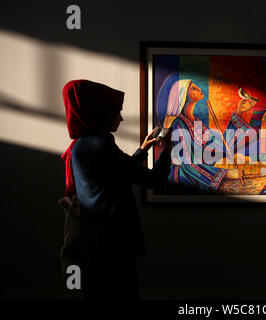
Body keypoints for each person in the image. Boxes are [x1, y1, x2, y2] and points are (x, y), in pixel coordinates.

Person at [61, 79, 171, 300]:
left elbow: (117, 172)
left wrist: (143, 149)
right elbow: (152, 179)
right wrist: (167, 150)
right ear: (100, 112)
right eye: (116, 112)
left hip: (93, 238)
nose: (120, 118)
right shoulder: (100, 146)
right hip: (113, 243)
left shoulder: (81, 145)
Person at [163, 79, 243, 193]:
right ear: (184, 95)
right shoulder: (178, 124)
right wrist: (225, 173)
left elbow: (219, 146)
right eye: (194, 88)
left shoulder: (197, 122)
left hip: (202, 176)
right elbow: (188, 163)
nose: (199, 89)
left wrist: (239, 112)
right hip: (185, 179)